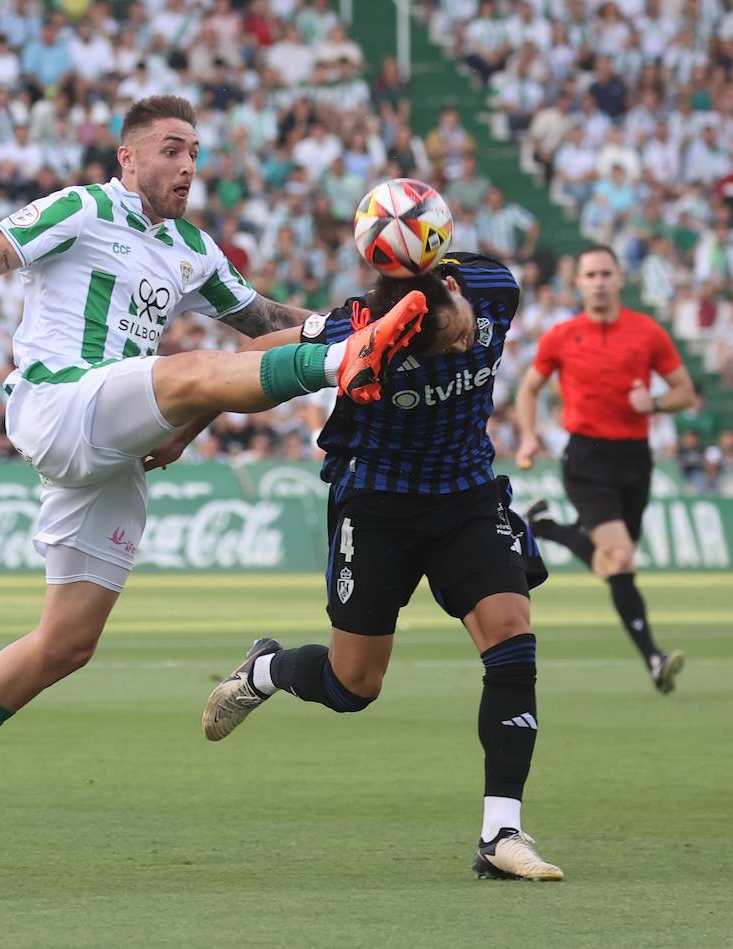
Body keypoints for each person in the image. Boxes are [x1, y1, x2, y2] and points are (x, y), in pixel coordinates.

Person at [0, 96, 427, 860]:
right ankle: (344, 369)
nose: (187, 164)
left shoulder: (193, 248)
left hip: (113, 444)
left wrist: (352, 321)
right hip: (59, 401)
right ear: (128, 158)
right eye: (170, 149)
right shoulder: (84, 207)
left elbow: (260, 323)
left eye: (193, 150)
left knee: (66, 642)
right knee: (185, 368)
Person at [178, 253, 563, 881]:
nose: (465, 340)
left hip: (466, 493)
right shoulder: (354, 332)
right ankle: (266, 670)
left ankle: (501, 832)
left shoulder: (493, 286)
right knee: (353, 686)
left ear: (456, 288)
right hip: (378, 503)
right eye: (448, 342)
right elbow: (253, 363)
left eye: (464, 326)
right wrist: (186, 428)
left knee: (513, 639)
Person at [514, 245, 694, 693]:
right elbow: (529, 388)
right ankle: (653, 657)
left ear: (620, 280)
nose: (597, 282)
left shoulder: (647, 332)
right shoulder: (561, 336)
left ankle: (548, 528)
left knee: (610, 565)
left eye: (605, 274)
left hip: (635, 459)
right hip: (587, 457)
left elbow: (685, 393)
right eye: (589, 274)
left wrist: (653, 403)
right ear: (577, 283)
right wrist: (529, 435)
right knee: (620, 558)